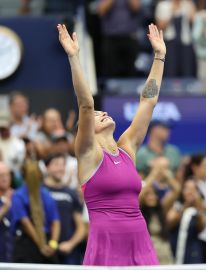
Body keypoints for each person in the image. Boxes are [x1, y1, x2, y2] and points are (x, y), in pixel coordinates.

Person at [57, 22, 166, 265]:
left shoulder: (127, 147)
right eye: (97, 116)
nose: (101, 113)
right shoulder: (87, 153)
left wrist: (159, 57)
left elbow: (148, 101)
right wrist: (74, 58)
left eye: (102, 112)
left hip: (139, 239)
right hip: (107, 241)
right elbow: (86, 105)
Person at [11, 159, 61, 264]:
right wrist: (52, 244)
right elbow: (55, 222)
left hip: (33, 243)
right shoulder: (46, 194)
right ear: (40, 176)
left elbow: (26, 224)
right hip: (37, 242)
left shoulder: (18, 195)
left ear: (23, 177)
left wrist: (45, 245)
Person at [43, 153, 86, 265]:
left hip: (67, 252)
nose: (60, 168)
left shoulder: (71, 194)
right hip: (43, 250)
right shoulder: (39, 192)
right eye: (56, 164)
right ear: (47, 167)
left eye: (63, 165)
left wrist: (70, 244)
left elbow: (81, 227)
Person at [139, 156, 180, 264]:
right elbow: (141, 193)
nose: (151, 197)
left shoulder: (162, 208)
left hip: (164, 251)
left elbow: (176, 190)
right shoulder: (139, 210)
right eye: (148, 194)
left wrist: (165, 172)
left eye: (153, 194)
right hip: (146, 250)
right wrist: (154, 172)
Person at [97, 0, 141, 77]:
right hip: (111, 39)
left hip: (130, 38)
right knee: (110, 71)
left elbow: (136, 8)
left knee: (131, 72)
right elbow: (101, 11)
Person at [167, 179, 206, 264]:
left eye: (193, 189)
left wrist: (198, 207)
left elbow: (202, 227)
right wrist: (185, 206)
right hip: (176, 246)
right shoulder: (177, 205)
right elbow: (170, 222)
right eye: (187, 189)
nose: (190, 192)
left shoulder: (199, 208)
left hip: (193, 248)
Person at [155, 0, 197, 77]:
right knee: (170, 72)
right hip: (170, 44)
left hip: (186, 44)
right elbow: (160, 27)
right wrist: (172, 13)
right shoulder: (163, 5)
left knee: (187, 72)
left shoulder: (188, 4)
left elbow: (195, 22)